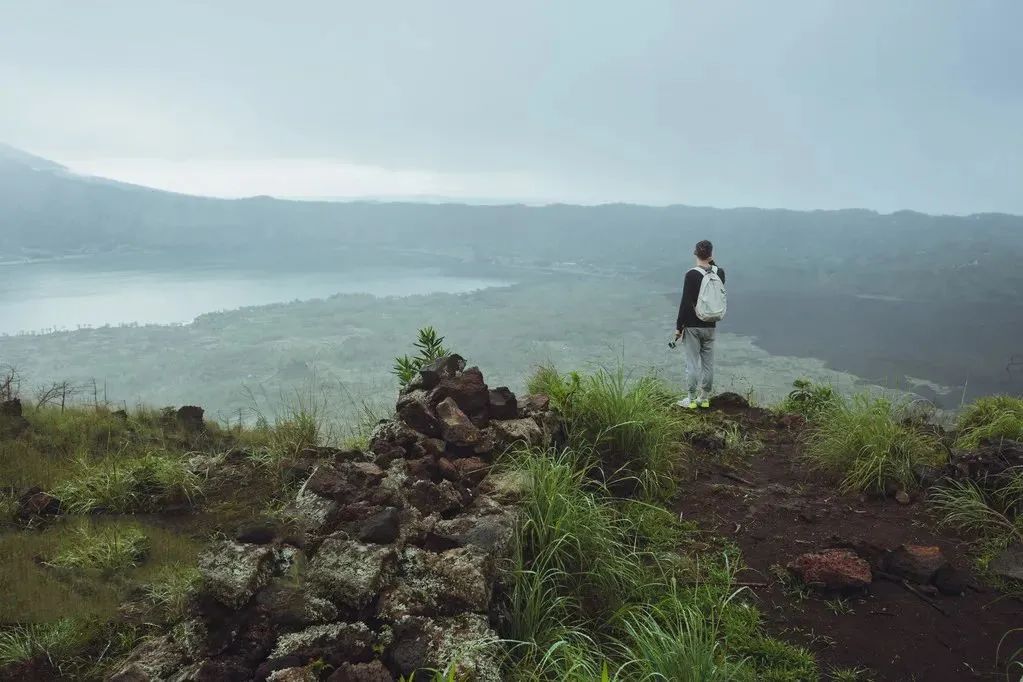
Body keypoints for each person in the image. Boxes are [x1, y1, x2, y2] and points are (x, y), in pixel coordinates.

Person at [674, 239, 725, 408]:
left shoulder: (691, 274)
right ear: (711, 254)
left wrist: (678, 327)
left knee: (692, 363)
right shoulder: (720, 273)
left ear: (695, 253)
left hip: (692, 326)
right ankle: (704, 398)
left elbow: (685, 302)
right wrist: (711, 260)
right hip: (710, 325)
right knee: (708, 364)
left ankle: (690, 399)